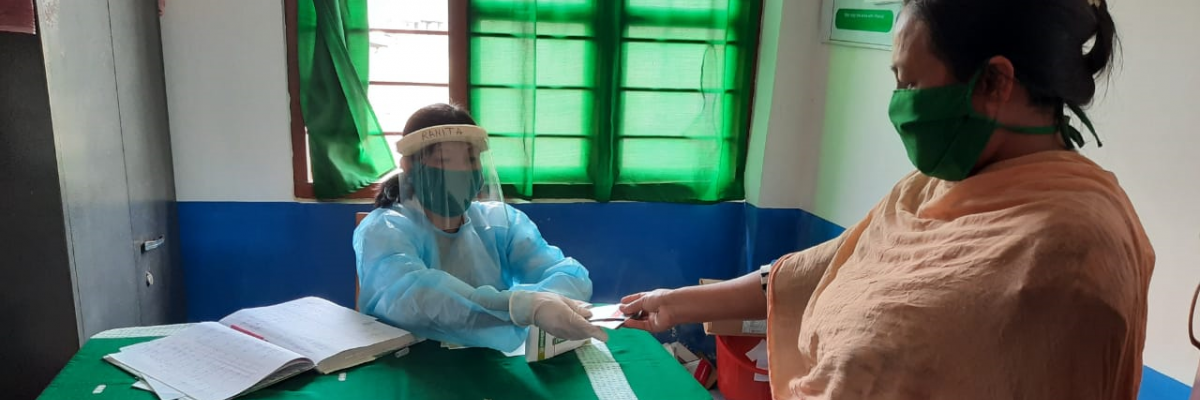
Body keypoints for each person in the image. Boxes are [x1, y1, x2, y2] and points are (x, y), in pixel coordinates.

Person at [620, 0, 1154, 398]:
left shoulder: (1078, 251)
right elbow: (815, 269)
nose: (900, 107)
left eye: (913, 85)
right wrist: (676, 302)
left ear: (995, 81)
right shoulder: (930, 189)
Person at [354, 103, 606, 353]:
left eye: (470, 159)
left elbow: (570, 276)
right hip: (410, 364)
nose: (461, 170)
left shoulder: (499, 222)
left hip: (488, 359)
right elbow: (416, 298)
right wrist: (521, 307)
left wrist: (543, 304)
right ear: (409, 167)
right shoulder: (386, 229)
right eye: (444, 160)